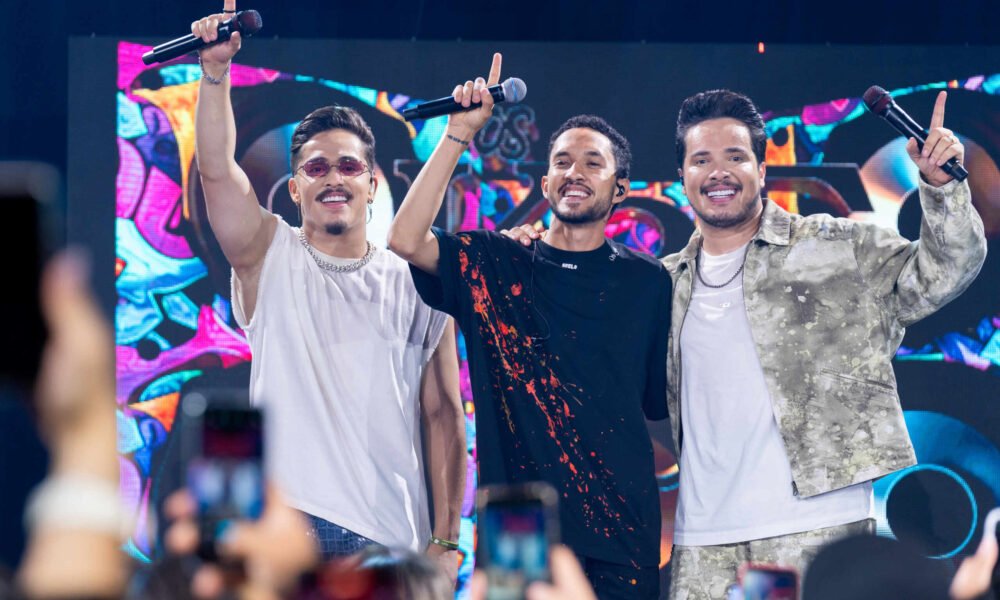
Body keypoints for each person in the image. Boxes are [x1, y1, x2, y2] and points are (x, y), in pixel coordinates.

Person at [662, 89, 987, 599]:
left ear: (761, 169)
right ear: (683, 176)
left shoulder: (835, 247)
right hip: (702, 545)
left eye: (735, 157)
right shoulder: (661, 284)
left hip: (815, 531)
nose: (718, 172)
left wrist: (941, 187)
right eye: (701, 160)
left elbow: (946, 268)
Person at [190, 3, 466, 576]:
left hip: (390, 539)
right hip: (286, 530)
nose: (334, 178)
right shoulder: (268, 253)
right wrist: (215, 73)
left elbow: (444, 414)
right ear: (294, 188)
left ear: (372, 184)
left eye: (348, 167)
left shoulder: (420, 278)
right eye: (316, 169)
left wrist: (446, 541)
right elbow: (216, 170)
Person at [388, 54, 671, 599]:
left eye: (593, 163)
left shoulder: (648, 282)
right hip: (517, 531)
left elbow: (655, 404)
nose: (575, 173)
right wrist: (458, 134)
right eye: (562, 162)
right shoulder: (496, 264)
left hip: (622, 533)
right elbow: (404, 239)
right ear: (545, 183)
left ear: (621, 188)